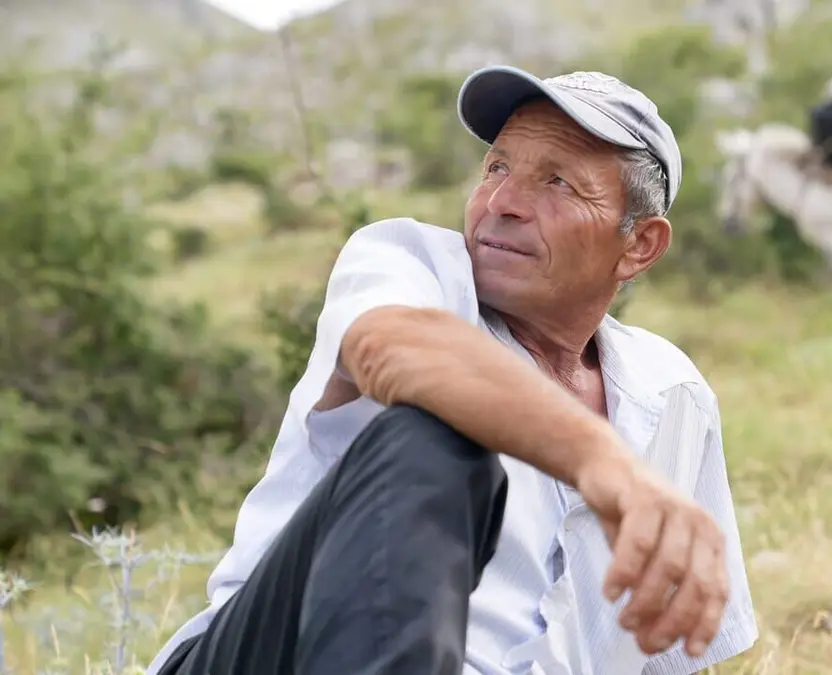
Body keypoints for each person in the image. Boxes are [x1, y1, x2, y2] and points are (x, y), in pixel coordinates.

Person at [146, 65, 757, 675]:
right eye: (497, 167)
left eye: (559, 184)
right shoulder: (412, 267)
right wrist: (602, 459)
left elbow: (673, 652)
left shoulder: (673, 392)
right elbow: (393, 347)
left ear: (640, 245)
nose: (503, 203)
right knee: (435, 434)